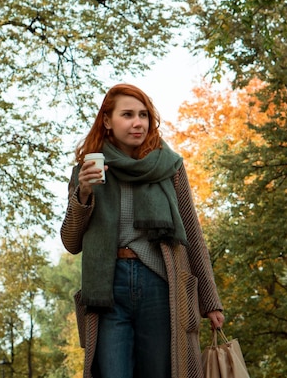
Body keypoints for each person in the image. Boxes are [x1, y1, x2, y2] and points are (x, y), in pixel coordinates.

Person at [60, 83, 224, 378]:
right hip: (108, 289)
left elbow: (192, 234)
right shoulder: (87, 170)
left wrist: (209, 301)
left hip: (161, 285)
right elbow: (71, 242)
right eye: (127, 115)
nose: (138, 122)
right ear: (108, 121)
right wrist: (83, 193)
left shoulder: (168, 166)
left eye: (143, 115)